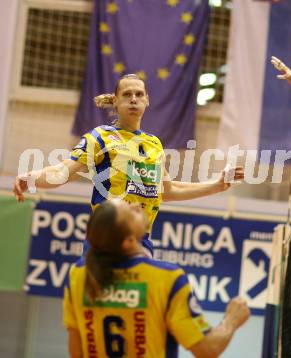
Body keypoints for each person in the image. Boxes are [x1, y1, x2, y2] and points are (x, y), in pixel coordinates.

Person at [13, 74, 244, 255]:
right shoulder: (101, 137)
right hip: (106, 238)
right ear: (115, 101)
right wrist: (31, 178)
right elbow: (63, 171)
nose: (133, 98)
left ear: (147, 100)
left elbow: (167, 190)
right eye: (127, 94)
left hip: (141, 242)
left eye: (139, 94)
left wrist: (217, 184)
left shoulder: (154, 144)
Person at [63, 199, 250, 357]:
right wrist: (231, 320)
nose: (136, 206)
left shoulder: (78, 276)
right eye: (129, 211)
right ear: (128, 241)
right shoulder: (166, 278)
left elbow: (76, 353)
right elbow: (208, 348)